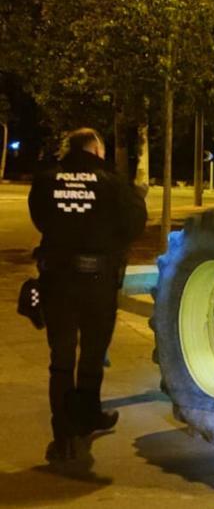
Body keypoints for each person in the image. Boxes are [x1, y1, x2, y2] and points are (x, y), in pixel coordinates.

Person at [28, 128, 147, 463]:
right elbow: (134, 223)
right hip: (97, 280)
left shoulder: (47, 178)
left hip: (56, 280)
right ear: (95, 149)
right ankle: (88, 415)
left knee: (61, 359)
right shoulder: (110, 181)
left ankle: (65, 432)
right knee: (93, 354)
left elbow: (40, 218)